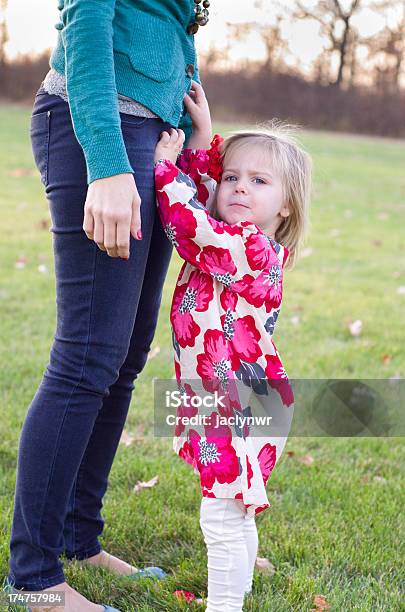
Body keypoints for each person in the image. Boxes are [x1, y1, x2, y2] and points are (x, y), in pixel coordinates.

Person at [6, 1, 207, 611]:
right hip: (100, 124)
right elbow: (88, 17)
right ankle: (32, 580)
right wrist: (108, 161)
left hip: (149, 131)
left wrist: (188, 116)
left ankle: (77, 536)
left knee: (122, 357)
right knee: (89, 353)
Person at [153, 82, 312, 610]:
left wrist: (164, 169)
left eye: (259, 181)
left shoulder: (251, 249)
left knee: (220, 517)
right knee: (234, 510)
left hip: (238, 404)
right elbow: (205, 199)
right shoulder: (238, 233)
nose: (239, 188)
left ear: (285, 206)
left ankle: (227, 606)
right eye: (233, 178)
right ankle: (236, 595)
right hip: (235, 397)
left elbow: (189, 223)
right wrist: (201, 140)